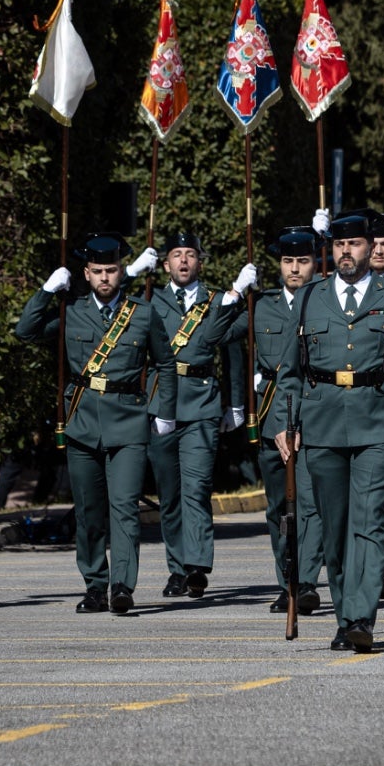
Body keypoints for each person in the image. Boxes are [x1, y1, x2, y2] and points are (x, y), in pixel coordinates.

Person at [273, 212, 384, 653]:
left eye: (357, 245)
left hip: (379, 419)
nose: (347, 252)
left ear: (373, 249)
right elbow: (290, 371)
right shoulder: (309, 299)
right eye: (340, 246)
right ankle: (346, 618)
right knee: (334, 528)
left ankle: (361, 616)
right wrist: (284, 427)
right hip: (321, 423)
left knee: (370, 521)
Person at [15, 233, 179, 614]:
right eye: (97, 271)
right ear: (85, 274)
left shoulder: (142, 312)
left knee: (124, 507)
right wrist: (44, 291)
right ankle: (94, 584)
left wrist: (164, 410)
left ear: (122, 271)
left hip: (128, 418)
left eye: (111, 270)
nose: (105, 278)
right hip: (82, 419)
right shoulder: (69, 309)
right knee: (89, 511)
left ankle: (122, 585)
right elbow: (25, 332)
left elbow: (165, 363)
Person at [145, 231, 252, 599]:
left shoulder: (216, 300)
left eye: (190, 254)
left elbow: (232, 352)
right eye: (177, 254)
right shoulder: (149, 300)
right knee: (170, 494)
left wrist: (236, 404)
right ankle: (176, 568)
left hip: (203, 404)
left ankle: (196, 567)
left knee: (196, 489)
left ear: (199, 262)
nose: (184, 261)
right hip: (161, 403)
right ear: (165, 265)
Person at [237, 226, 326, 615]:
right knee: (278, 508)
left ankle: (305, 581)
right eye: (288, 261)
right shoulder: (262, 305)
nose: (294, 268)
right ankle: (285, 579)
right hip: (273, 413)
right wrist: (236, 294)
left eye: (302, 261)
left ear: (314, 263)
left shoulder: (325, 301)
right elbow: (210, 337)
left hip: (313, 410)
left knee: (308, 504)